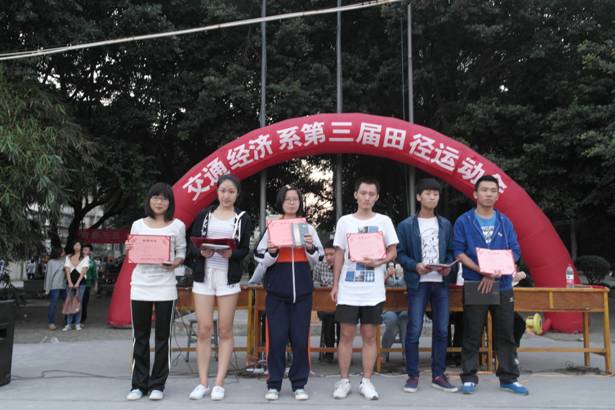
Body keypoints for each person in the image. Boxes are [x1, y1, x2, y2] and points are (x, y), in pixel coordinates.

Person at [453, 175, 529, 395]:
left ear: (497, 195)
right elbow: (459, 252)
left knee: (506, 333)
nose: (488, 194)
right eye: (484, 190)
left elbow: (514, 251)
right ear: (475, 194)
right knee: (472, 332)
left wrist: (495, 273)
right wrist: (482, 271)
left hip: (503, 285)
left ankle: (508, 378)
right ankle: (469, 377)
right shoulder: (464, 221)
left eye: (493, 191)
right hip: (476, 284)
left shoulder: (505, 222)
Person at [330, 177, 399, 400]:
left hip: (373, 289)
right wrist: (335, 284)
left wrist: (380, 261)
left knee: (369, 335)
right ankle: (344, 381)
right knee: (346, 334)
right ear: (356, 195)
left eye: (371, 194)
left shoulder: (384, 221)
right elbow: (339, 253)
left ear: (376, 197)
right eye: (363, 193)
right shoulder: (345, 222)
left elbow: (392, 251)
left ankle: (367, 381)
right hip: (349, 287)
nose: (367, 197)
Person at [254, 184, 323, 401]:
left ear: (300, 202)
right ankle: (274, 383)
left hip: (302, 293)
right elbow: (258, 256)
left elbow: (319, 258)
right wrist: (272, 252)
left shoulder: (308, 228)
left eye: (295, 199)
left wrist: (309, 248)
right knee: (277, 339)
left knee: (300, 339)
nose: (292, 202)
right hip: (277, 293)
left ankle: (299, 384)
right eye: (287, 199)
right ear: (281, 202)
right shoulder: (272, 227)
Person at [188, 175, 253, 401]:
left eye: (231, 192)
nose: (226, 195)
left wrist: (231, 254)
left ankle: (219, 382)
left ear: (237, 194)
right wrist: (200, 251)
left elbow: (244, 249)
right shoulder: (204, 215)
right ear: (217, 192)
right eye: (223, 190)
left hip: (227, 278)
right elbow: (192, 244)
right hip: (204, 277)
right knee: (204, 329)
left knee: (225, 330)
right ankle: (202, 382)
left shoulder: (242, 218)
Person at [125, 182, 186, 401]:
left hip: (165, 287)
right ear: (149, 200)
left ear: (170, 202)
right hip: (140, 285)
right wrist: (129, 249)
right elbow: (132, 254)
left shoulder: (177, 225)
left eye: (164, 198)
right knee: (139, 336)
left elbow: (181, 252)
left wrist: (174, 263)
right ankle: (138, 385)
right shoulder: (137, 225)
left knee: (163, 337)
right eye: (155, 197)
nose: (159, 202)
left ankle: (158, 384)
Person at [396, 178, 457, 393]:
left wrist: (448, 266)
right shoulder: (406, 225)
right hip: (418, 284)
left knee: (442, 330)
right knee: (414, 330)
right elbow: (400, 254)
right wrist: (415, 266)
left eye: (435, 194)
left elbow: (451, 251)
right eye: (428, 193)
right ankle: (412, 375)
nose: (432, 197)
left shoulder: (445, 224)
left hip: (440, 284)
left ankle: (438, 375)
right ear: (418, 197)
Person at [313, 240, 338, 362]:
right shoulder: (319, 265)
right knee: (328, 316)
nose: (328, 257)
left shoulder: (344, 266)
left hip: (341, 305)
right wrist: (322, 286)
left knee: (344, 317)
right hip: (324, 304)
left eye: (331, 254)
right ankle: (329, 350)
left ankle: (343, 349)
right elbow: (314, 282)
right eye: (326, 254)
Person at [380, 263, 407, 364]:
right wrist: (387, 276)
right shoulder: (382, 265)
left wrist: (405, 275)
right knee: (392, 321)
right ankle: (384, 352)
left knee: (405, 320)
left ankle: (407, 355)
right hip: (387, 307)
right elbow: (376, 284)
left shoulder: (406, 263)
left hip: (405, 306)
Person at [63, 241, 90, 331]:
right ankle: (69, 323)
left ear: (81, 247)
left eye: (79, 245)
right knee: (69, 302)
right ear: (73, 246)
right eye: (75, 244)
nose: (77, 246)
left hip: (81, 283)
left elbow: (84, 270)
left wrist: (78, 283)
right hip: (69, 283)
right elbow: (67, 270)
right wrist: (70, 282)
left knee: (78, 303)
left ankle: (77, 323)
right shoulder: (68, 257)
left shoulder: (85, 257)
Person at [44, 247, 66, 330]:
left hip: (64, 286)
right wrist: (47, 288)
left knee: (67, 303)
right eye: (62, 251)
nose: (64, 252)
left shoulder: (64, 260)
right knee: (53, 304)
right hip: (54, 286)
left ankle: (67, 321)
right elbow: (48, 275)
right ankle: (51, 322)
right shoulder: (51, 262)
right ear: (58, 252)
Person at [80, 244, 98, 326]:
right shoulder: (78, 259)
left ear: (90, 252)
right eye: (83, 249)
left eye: (86, 249)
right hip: (78, 283)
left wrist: (96, 285)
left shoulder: (92, 262)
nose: (84, 250)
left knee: (84, 302)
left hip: (87, 284)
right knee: (76, 301)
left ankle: (82, 320)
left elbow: (94, 275)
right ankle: (72, 319)